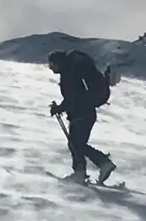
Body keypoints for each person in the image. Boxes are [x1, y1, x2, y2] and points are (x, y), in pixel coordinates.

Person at [47, 49, 116, 184]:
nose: (51, 68)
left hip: (81, 113)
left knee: (76, 143)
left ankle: (99, 164)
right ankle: (83, 171)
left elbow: (74, 96)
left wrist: (60, 108)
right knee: (76, 143)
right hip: (84, 112)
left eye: (51, 65)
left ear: (58, 63)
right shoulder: (71, 71)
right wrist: (61, 107)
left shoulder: (70, 73)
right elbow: (75, 95)